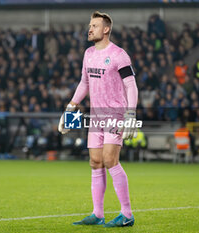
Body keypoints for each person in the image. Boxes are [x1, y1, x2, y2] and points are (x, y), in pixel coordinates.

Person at [58, 11, 138, 227]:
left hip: (115, 114)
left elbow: (131, 85)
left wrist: (131, 113)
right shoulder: (88, 54)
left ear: (106, 29)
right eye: (89, 25)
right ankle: (98, 213)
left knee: (111, 159)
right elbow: (84, 83)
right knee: (95, 162)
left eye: (94, 25)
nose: (89, 29)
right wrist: (70, 107)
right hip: (96, 117)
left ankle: (127, 214)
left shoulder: (119, 54)